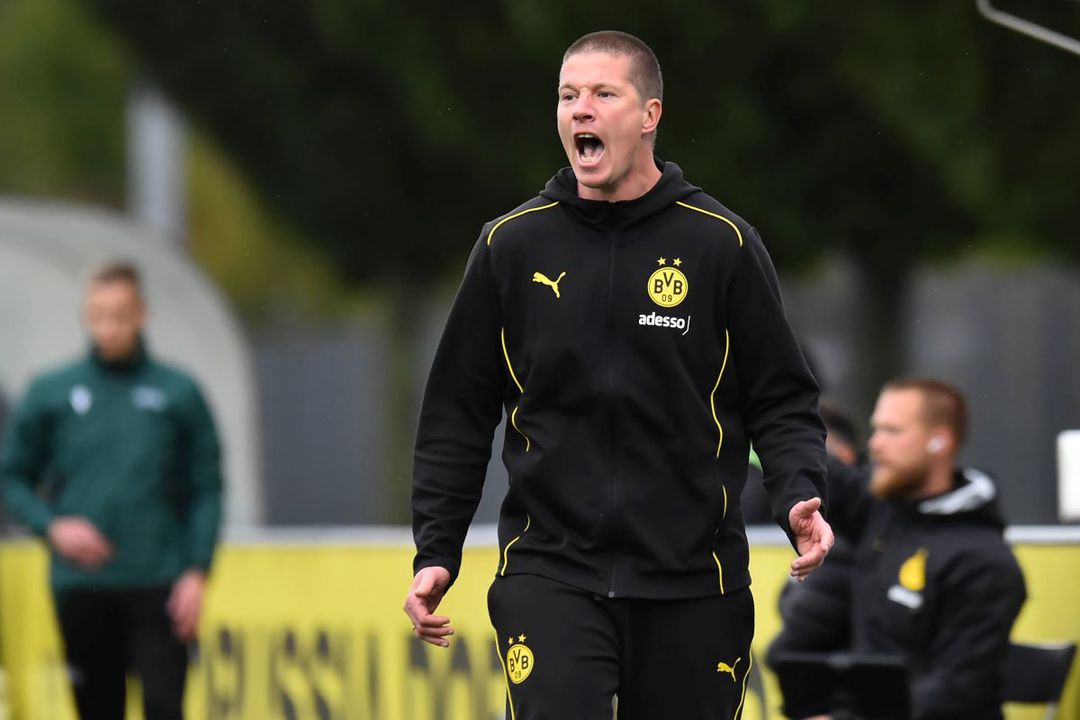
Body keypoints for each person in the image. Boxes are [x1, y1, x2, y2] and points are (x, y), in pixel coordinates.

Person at [403, 30, 833, 719]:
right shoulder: (510, 245)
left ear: (650, 115)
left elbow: (781, 398)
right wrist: (436, 548)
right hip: (551, 571)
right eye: (568, 95)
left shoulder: (721, 243)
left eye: (604, 93)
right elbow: (457, 411)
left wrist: (798, 493)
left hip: (695, 580)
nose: (581, 109)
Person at [0, 262, 223, 720]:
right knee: (97, 708)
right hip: (83, 584)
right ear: (86, 315)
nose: (110, 327)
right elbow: (11, 476)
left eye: (120, 315)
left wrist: (197, 570)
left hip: (158, 580)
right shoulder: (52, 392)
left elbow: (206, 487)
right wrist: (51, 526)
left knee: (164, 706)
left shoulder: (178, 392)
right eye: (99, 315)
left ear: (141, 314)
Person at [781, 379, 1026, 720]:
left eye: (892, 431)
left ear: (940, 441)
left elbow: (958, 690)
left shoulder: (985, 563)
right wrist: (754, 407)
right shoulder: (883, 510)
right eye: (876, 429)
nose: (875, 444)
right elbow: (824, 470)